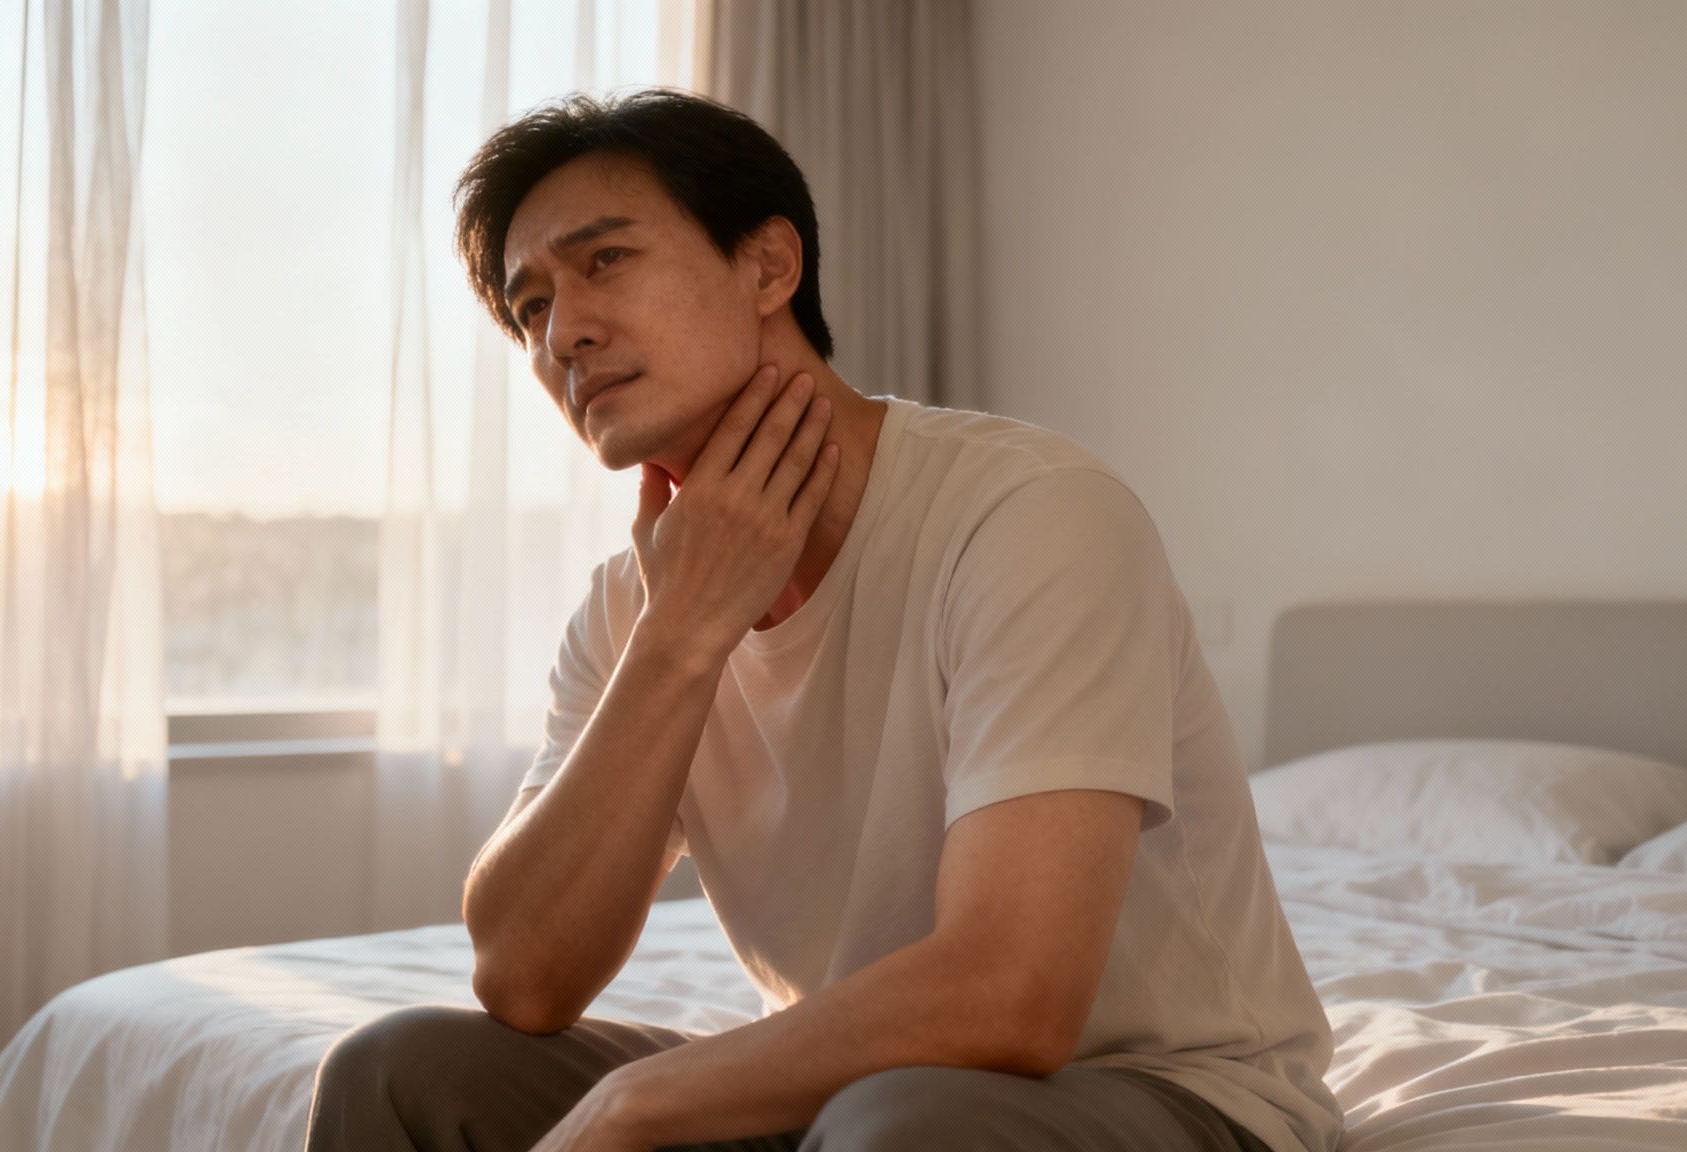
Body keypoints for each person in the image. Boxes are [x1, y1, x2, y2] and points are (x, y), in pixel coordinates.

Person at [304, 88, 1341, 1152]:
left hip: (1158, 1091)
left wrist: (632, 1104)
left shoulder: (1030, 514)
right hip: (853, 1097)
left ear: (767, 267)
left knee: (897, 1127)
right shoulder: (627, 605)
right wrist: (681, 636)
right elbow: (523, 976)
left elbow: (1013, 993)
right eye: (529, 309)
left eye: (605, 261)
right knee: (397, 1072)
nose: (564, 331)